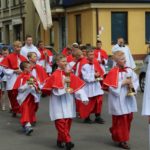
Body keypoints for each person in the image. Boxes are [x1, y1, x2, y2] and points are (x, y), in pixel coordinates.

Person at [42, 54, 88, 150]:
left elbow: (77, 87)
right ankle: (68, 141)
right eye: (63, 61)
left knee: (67, 123)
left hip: (68, 101)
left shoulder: (69, 74)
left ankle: (60, 139)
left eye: (65, 61)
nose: (65, 63)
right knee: (60, 122)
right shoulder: (55, 75)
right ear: (57, 62)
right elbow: (55, 90)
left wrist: (83, 97)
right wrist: (64, 87)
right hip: (57, 103)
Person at [103, 51, 139, 149]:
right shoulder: (113, 72)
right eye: (122, 59)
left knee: (128, 119)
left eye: (124, 58)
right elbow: (111, 88)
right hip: (118, 100)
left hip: (128, 98)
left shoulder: (129, 70)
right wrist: (123, 82)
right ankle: (122, 140)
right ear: (116, 61)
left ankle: (115, 131)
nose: (125, 60)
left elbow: (136, 81)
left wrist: (132, 85)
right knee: (121, 120)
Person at [0, 41, 27, 116]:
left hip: (22, 78)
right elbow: (4, 69)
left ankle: (22, 111)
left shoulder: (23, 57)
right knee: (12, 95)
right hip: (12, 78)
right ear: (14, 47)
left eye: (20, 47)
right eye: (17, 47)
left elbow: (27, 68)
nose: (19, 48)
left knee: (22, 95)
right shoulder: (9, 57)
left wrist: (22, 71)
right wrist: (14, 71)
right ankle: (15, 109)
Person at [13, 61, 41, 135]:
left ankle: (25, 124)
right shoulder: (20, 77)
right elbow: (18, 88)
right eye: (29, 67)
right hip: (24, 98)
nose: (31, 68)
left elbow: (35, 86)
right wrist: (27, 85)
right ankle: (27, 125)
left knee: (30, 111)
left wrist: (36, 88)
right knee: (25, 110)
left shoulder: (31, 76)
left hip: (31, 97)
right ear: (25, 69)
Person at [79, 48, 105, 124]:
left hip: (96, 86)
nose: (92, 56)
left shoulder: (95, 62)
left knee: (99, 101)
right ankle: (87, 117)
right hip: (88, 87)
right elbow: (85, 77)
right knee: (89, 103)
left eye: (93, 54)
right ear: (86, 55)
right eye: (90, 54)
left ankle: (98, 116)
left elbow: (100, 71)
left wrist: (99, 76)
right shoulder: (84, 64)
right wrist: (94, 75)